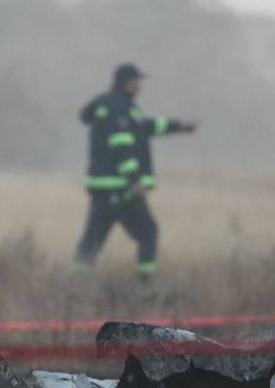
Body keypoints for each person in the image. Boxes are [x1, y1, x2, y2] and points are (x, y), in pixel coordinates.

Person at [73, 63, 197, 278]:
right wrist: (134, 181)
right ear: (128, 83)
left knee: (92, 239)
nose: (140, 86)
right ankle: (145, 284)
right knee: (148, 232)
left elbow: (144, 126)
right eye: (137, 81)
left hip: (102, 188)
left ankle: (75, 284)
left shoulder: (115, 105)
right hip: (121, 188)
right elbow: (122, 145)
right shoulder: (119, 108)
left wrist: (178, 126)